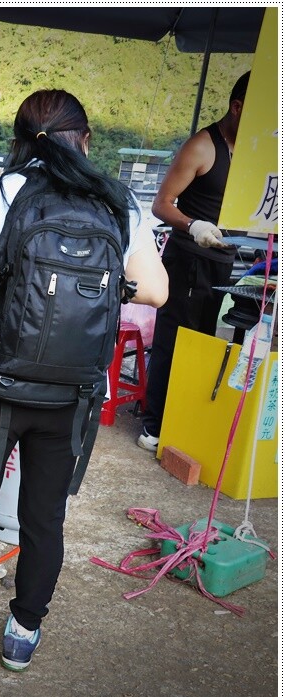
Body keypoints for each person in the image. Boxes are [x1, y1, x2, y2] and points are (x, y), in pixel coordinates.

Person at [0, 89, 168, 673]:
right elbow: (157, 292)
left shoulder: (1, 192)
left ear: (21, 141)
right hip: (73, 393)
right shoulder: (118, 201)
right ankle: (23, 631)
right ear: (87, 139)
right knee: (44, 516)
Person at [138, 72, 250, 452]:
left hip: (223, 263)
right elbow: (161, 203)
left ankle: (184, 420)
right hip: (187, 259)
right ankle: (154, 426)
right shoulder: (204, 146)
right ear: (237, 107)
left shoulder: (254, 152)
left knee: (203, 341)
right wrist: (193, 224)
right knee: (175, 341)